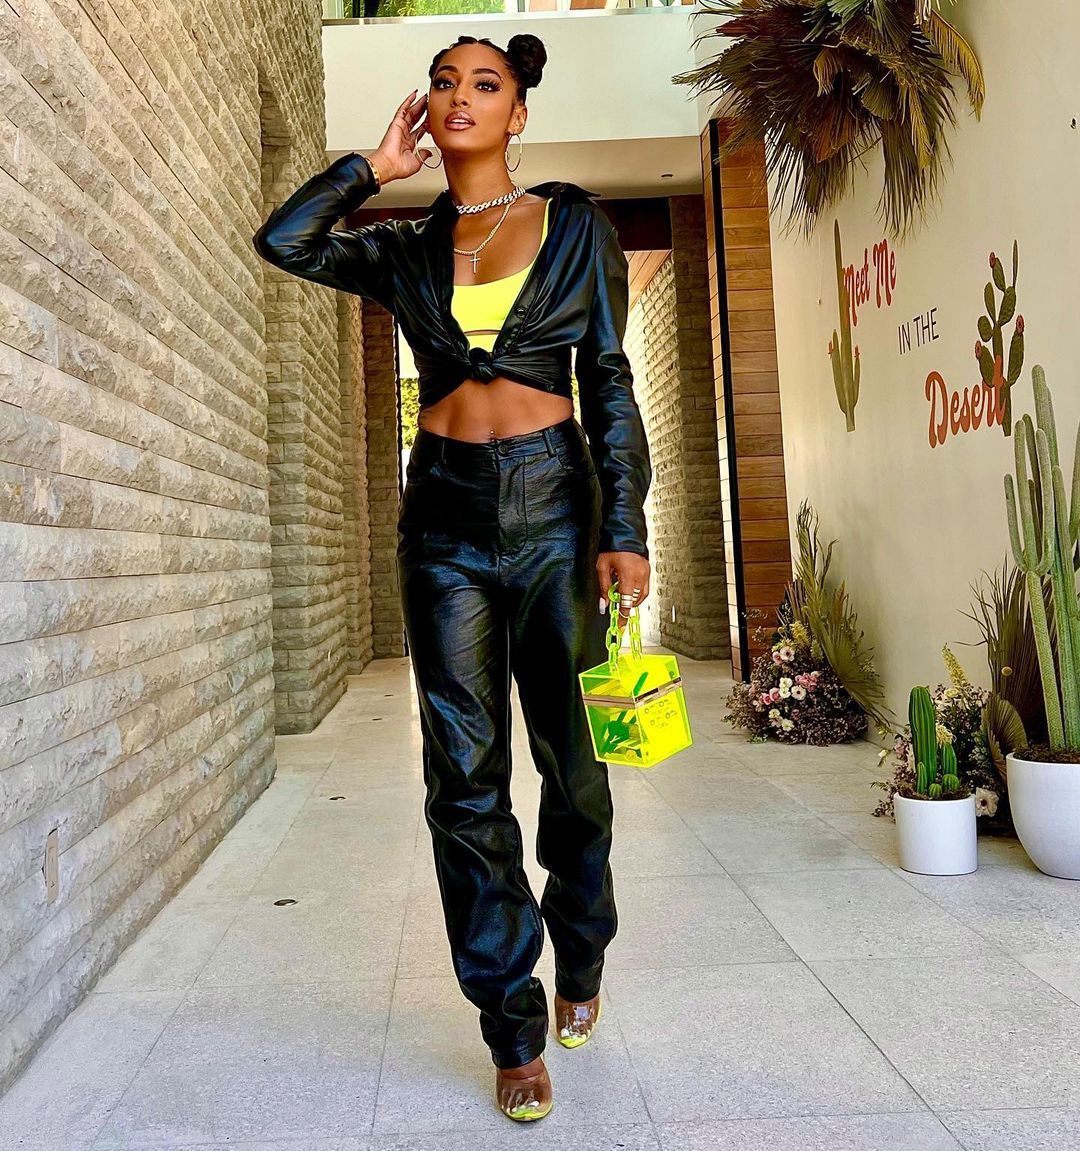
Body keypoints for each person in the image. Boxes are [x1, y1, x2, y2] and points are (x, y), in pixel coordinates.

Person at [252, 32, 652, 1122]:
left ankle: (583, 941)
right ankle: (511, 1022)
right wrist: (370, 169)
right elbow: (284, 240)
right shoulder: (402, 246)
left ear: (519, 112)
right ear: (424, 108)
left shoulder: (574, 225)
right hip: (442, 519)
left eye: (486, 84)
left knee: (575, 763)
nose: (460, 97)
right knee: (462, 777)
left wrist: (625, 522)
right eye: (443, 83)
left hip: (558, 507)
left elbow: (608, 379)